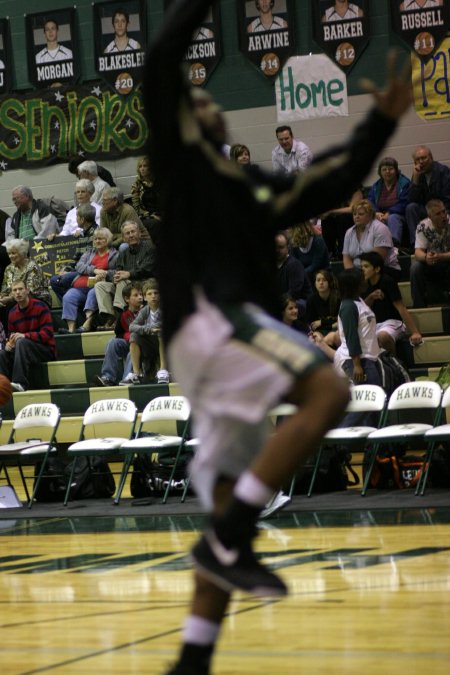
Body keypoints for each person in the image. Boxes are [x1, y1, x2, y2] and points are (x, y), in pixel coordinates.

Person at [145, 2, 413, 672]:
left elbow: (330, 179)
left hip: (210, 350)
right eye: (195, 95)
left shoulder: (252, 186)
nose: (203, 100)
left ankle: (192, 658)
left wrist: (382, 119)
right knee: (327, 387)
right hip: (213, 321)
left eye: (209, 98)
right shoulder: (181, 164)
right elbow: (162, 63)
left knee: (227, 518)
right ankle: (232, 530)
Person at [94, 221, 156, 329]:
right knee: (100, 285)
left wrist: (128, 274)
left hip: (144, 284)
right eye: (127, 233)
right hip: (126, 286)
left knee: (123, 283)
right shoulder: (123, 252)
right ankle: (111, 317)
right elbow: (119, 270)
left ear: (139, 233)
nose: (131, 235)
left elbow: (148, 268)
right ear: (123, 237)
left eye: (133, 232)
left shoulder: (150, 247)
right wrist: (111, 276)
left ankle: (120, 319)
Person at [360, 251, 422, 354]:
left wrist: (415, 332)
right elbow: (362, 309)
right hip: (373, 324)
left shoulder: (387, 281)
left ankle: (393, 364)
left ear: (377, 269)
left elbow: (401, 308)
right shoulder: (363, 284)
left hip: (393, 323)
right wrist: (371, 297)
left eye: (366, 266)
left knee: (382, 336)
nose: (362, 270)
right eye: (361, 267)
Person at [59, 228, 118, 334]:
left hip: (99, 287)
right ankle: (71, 329)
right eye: (95, 239)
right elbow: (79, 266)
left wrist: (105, 274)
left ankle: (87, 324)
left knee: (93, 292)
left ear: (107, 240)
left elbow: (117, 271)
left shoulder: (114, 254)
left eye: (100, 239)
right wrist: (94, 270)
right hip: (80, 287)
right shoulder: (89, 253)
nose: (97, 241)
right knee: (68, 296)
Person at [0, 279, 55, 392]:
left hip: (45, 349)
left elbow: (47, 334)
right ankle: (3, 387)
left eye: (20, 289)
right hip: (23, 348)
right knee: (2, 353)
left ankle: (20, 383)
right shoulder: (12, 313)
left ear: (27, 290)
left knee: (21, 342)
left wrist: (25, 336)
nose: (18, 292)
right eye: (14, 290)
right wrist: (9, 344)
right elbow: (12, 335)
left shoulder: (41, 306)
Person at [334, 268, 381, 386]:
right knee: (370, 401)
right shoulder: (348, 306)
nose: (365, 280)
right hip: (357, 360)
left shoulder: (358, 300)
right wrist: (357, 365)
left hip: (368, 357)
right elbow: (351, 336)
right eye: (362, 279)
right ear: (354, 284)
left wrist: (370, 298)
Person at [119, 279, 169, 385]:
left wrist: (148, 329)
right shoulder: (145, 310)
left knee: (161, 332)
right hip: (151, 345)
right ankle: (136, 374)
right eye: (149, 294)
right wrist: (149, 329)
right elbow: (132, 326)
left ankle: (163, 370)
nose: (153, 296)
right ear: (145, 297)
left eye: (156, 293)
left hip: (168, 345)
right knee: (134, 336)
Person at [95, 283, 143, 386]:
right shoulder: (123, 315)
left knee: (132, 351)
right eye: (136, 295)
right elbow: (119, 333)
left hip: (143, 345)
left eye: (141, 294)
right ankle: (108, 377)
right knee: (113, 342)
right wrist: (128, 336)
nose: (140, 297)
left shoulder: (145, 311)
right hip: (129, 342)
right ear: (127, 299)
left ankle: (128, 378)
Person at [342, 199, 401, 280]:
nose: (356, 217)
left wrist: (359, 275)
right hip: (360, 271)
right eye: (354, 214)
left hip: (382, 269)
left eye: (361, 214)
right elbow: (346, 258)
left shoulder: (380, 228)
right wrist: (351, 275)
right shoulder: (349, 232)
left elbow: (377, 259)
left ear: (370, 215)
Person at [405, 145, 450, 249]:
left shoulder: (443, 171)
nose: (421, 161)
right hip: (427, 210)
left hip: (443, 209)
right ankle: (416, 246)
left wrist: (441, 212)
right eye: (418, 159)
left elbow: (448, 197)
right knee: (411, 208)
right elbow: (412, 200)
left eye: (424, 158)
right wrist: (415, 179)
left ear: (431, 158)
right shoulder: (418, 173)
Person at [410, 199, 450, 308]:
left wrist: (441, 256)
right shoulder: (423, 226)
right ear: (430, 216)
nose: (443, 216)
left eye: (444, 211)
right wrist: (426, 257)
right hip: (433, 263)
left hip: (447, 261)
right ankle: (419, 307)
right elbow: (418, 252)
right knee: (415, 268)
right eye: (438, 213)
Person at [0, 239, 51, 322]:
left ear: (22, 253)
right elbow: (5, 289)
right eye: (9, 253)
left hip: (37, 298)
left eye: (13, 253)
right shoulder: (9, 268)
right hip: (16, 298)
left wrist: (9, 298)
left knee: (11, 306)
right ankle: (6, 334)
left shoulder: (33, 267)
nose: (10, 256)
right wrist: (1, 298)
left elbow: (30, 292)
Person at [367, 157, 411, 247]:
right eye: (384, 169)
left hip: (399, 215)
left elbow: (404, 202)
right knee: (373, 220)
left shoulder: (404, 183)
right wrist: (376, 212)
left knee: (393, 218)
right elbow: (370, 201)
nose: (387, 171)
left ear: (396, 170)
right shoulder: (376, 186)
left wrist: (390, 212)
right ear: (380, 172)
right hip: (381, 215)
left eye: (390, 169)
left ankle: (394, 246)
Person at [319, 185, 364, 260]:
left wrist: (331, 211)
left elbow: (353, 209)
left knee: (344, 217)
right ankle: (330, 252)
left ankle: (342, 251)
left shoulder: (356, 191)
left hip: (355, 218)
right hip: (339, 221)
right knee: (326, 220)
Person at [130, 157, 161, 243]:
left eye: (145, 166)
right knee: (155, 224)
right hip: (144, 216)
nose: (142, 169)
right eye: (140, 166)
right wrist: (152, 215)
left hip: (160, 213)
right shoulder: (136, 185)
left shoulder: (159, 182)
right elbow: (137, 208)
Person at [305, 268, 340, 336]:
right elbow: (313, 325)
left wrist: (322, 322)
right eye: (318, 280)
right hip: (320, 331)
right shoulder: (311, 300)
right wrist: (331, 325)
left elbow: (340, 322)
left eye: (324, 280)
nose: (321, 283)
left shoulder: (337, 298)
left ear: (329, 283)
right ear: (315, 283)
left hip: (336, 330)